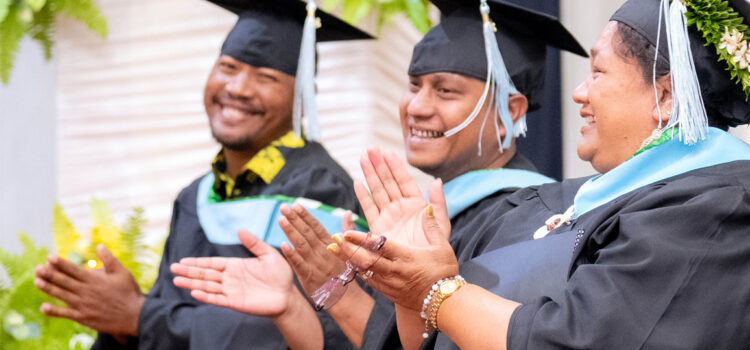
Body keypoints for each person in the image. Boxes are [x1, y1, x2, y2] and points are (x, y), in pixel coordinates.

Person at [329, 0, 750, 348]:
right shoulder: (564, 203)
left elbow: (581, 339)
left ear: (665, 94)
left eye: (598, 72)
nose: (579, 93)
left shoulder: (712, 208)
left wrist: (435, 291)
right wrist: (412, 294)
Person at [170, 0, 588, 349]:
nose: (417, 107)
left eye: (444, 90)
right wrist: (305, 301)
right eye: (413, 85)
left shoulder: (534, 223)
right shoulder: (417, 218)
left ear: (509, 113)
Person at [32, 0, 371, 348]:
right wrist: (123, 321)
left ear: (303, 96)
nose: (238, 88)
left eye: (266, 77)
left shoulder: (320, 191)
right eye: (228, 66)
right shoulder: (196, 197)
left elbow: (305, 329)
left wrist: (140, 316)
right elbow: (165, 313)